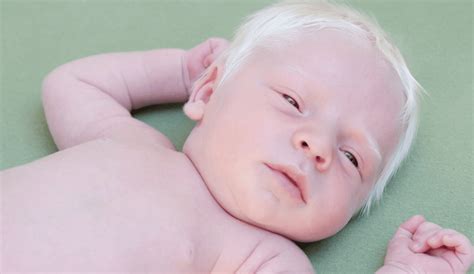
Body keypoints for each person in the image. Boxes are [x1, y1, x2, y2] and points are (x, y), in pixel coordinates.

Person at [1, 0, 472, 272]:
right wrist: (182, 70)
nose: (318, 146)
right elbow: (72, 85)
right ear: (209, 90)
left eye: (352, 158)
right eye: (291, 101)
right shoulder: (129, 141)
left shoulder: (263, 257)